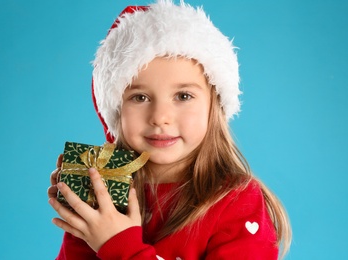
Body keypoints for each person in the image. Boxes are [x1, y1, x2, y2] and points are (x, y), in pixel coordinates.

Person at [48, 0, 292, 259]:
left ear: (215, 106)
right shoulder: (106, 192)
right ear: (116, 112)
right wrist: (80, 209)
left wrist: (118, 245)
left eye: (183, 96)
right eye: (140, 97)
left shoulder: (238, 203)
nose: (160, 118)